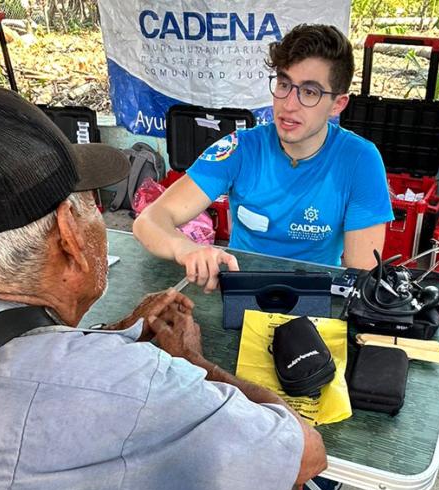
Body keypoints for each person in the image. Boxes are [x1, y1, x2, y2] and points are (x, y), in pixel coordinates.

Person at [0, 86, 326, 490]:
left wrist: (105, 335)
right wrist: (192, 363)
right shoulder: (144, 389)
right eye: (93, 205)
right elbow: (305, 455)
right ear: (69, 237)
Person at [134, 24, 393, 292]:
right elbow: (149, 220)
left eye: (310, 92)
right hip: (241, 292)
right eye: (283, 84)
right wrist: (185, 248)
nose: (289, 104)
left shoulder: (360, 160)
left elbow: (362, 273)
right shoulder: (241, 149)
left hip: (316, 297)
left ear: (337, 105)